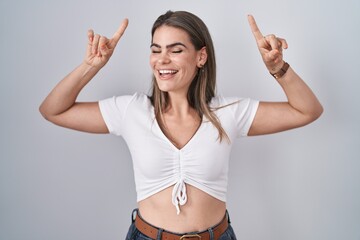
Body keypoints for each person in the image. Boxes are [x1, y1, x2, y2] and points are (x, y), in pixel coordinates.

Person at [39, 10, 323, 240]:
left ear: (201, 56)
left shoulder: (227, 112)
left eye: (175, 50)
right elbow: (53, 110)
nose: (162, 59)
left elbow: (306, 111)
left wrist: (278, 69)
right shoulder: (130, 110)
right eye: (156, 50)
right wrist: (92, 65)